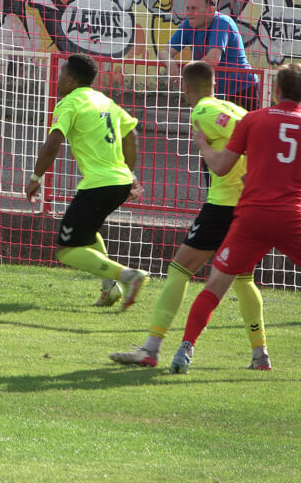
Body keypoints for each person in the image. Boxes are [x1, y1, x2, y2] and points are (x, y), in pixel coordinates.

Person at [109, 61, 267, 370]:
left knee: (181, 268)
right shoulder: (232, 106)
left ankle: (151, 348)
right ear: (214, 82)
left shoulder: (204, 111)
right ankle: (260, 354)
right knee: (243, 278)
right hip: (246, 207)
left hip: (223, 207)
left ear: (185, 87)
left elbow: (248, 136)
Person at [167, 62, 301, 374]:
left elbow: (222, 166)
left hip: (252, 216)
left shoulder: (253, 119)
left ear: (276, 89)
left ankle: (185, 349)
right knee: (243, 283)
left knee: (216, 284)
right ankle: (259, 354)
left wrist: (202, 145)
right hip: (291, 216)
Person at [25, 53, 150, 309]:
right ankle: (109, 289)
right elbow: (132, 134)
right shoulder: (105, 100)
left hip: (98, 185)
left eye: (61, 74)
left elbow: (52, 145)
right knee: (88, 232)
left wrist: (36, 177)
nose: (58, 79)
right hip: (119, 182)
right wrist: (128, 174)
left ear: (71, 80)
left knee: (67, 249)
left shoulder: (69, 103)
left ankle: (128, 276)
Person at [159, 0, 259, 112]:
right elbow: (165, 52)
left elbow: (213, 59)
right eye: (188, 8)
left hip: (242, 90)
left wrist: (185, 74)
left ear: (210, 11)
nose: (189, 13)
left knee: (241, 131)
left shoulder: (222, 22)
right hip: (214, 93)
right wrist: (171, 64)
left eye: (194, 8)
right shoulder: (187, 25)